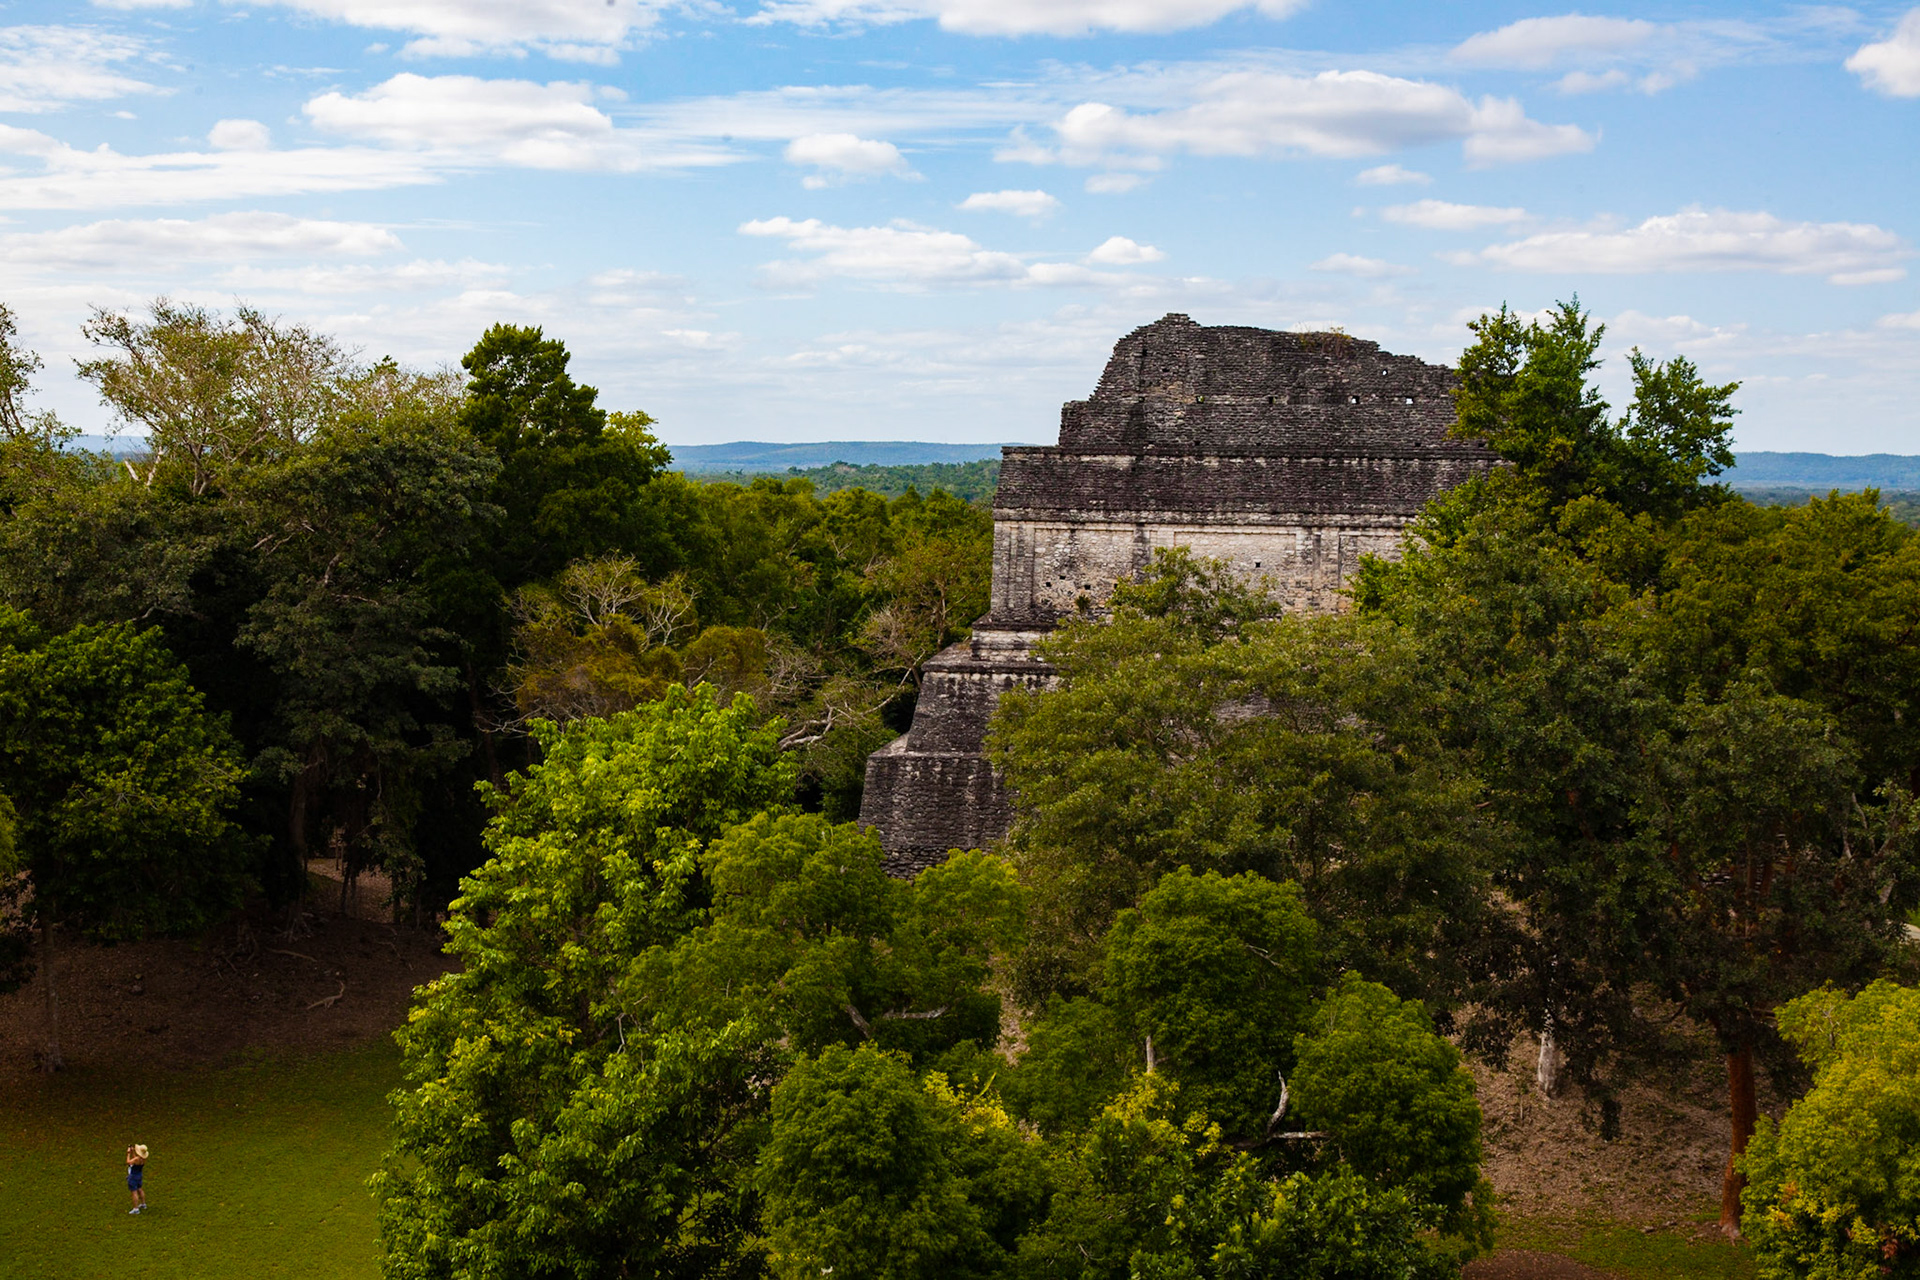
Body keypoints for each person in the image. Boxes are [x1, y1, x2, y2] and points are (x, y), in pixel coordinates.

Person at [126, 1143, 147, 1214]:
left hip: (133, 1177)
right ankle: (143, 1204)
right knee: (140, 1189)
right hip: (139, 1175)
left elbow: (128, 1162)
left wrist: (128, 1154)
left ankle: (136, 1208)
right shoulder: (143, 1159)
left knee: (134, 1192)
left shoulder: (137, 1159)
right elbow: (135, 1159)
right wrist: (133, 1152)